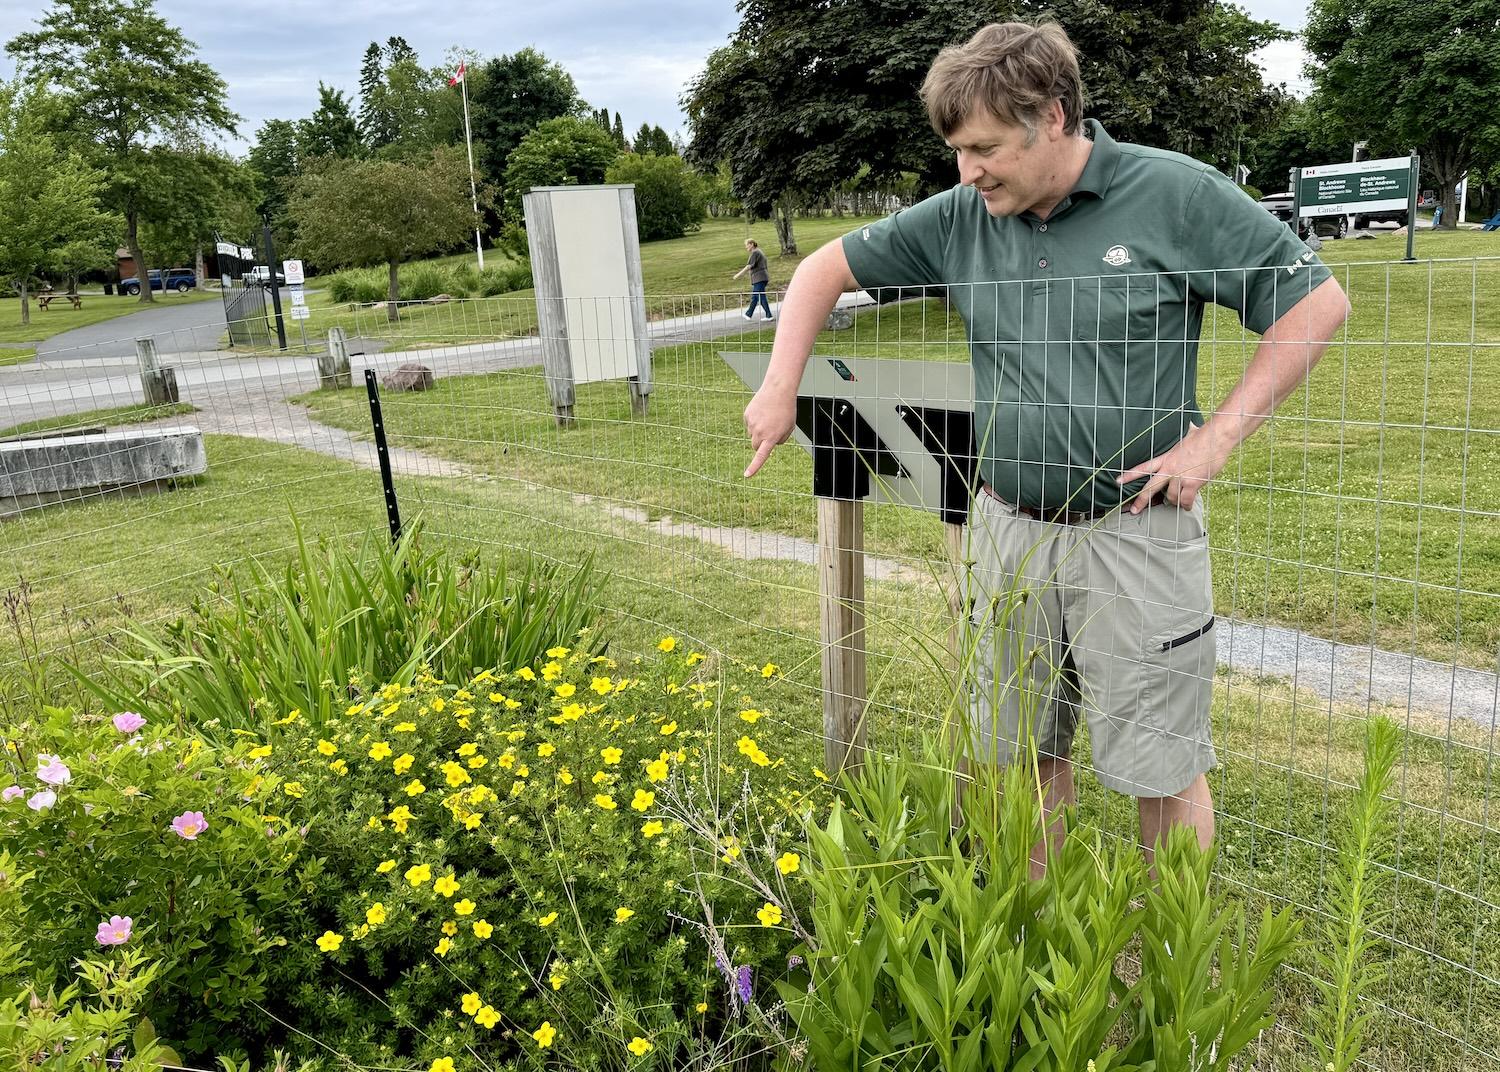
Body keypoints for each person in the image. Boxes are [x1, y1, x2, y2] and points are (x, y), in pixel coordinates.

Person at [741, 20, 1349, 867]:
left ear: (1053, 115)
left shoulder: (1174, 195)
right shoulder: (961, 217)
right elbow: (820, 272)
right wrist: (779, 387)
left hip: (1135, 532)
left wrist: (1215, 439)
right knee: (1015, 758)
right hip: (1007, 530)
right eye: (957, 150)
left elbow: (1315, 304)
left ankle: (1172, 968)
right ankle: (1035, 945)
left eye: (985, 147)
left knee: (1161, 769)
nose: (968, 170)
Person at [732, 239, 774, 321]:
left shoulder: (755, 252)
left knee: (760, 296)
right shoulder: (758, 251)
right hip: (761, 278)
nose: (746, 247)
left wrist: (738, 275)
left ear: (751, 244)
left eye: (746, 245)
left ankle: (769, 315)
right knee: (755, 297)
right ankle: (748, 314)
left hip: (759, 278)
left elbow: (748, 266)